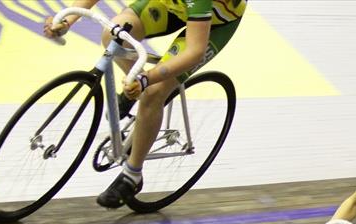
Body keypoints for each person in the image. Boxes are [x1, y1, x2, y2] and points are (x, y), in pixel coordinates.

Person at [43, 0, 245, 208]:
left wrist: (147, 79)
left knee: (153, 93)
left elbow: (194, 52)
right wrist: (67, 20)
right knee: (112, 36)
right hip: (172, 5)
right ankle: (136, 92)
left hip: (215, 22)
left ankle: (133, 175)